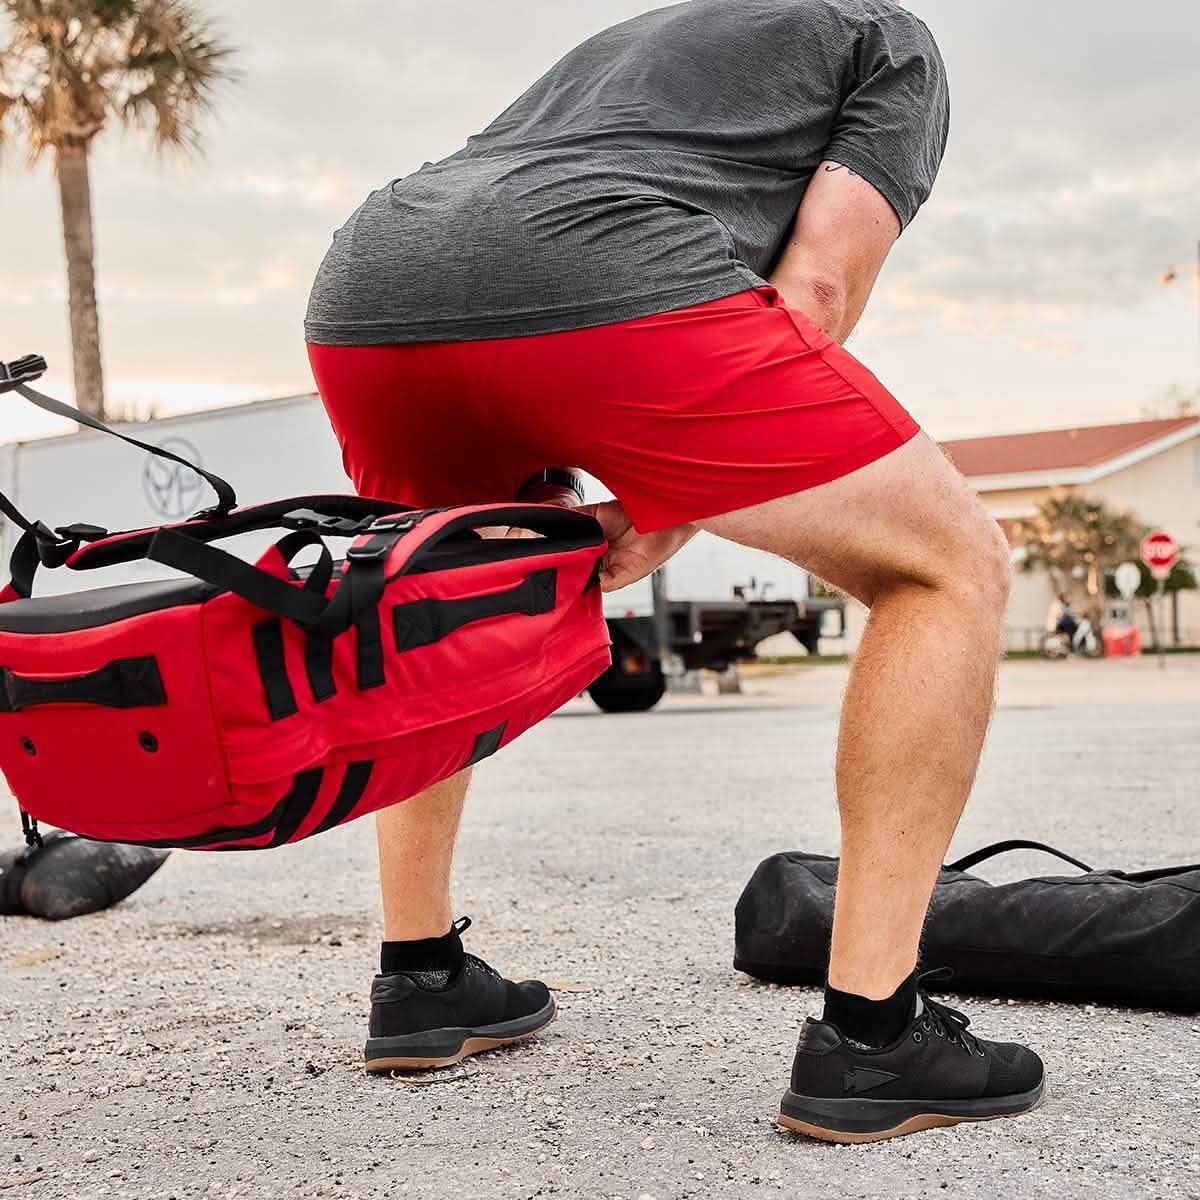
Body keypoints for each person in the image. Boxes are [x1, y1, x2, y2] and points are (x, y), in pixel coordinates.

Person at [305, 0, 1043, 1143]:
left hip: (371, 278)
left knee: (431, 594)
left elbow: (504, 221)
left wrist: (635, 490)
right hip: (586, 270)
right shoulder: (885, 37)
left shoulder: (642, 39)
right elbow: (815, 296)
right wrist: (670, 505)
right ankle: (873, 1038)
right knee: (949, 567)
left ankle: (420, 978)